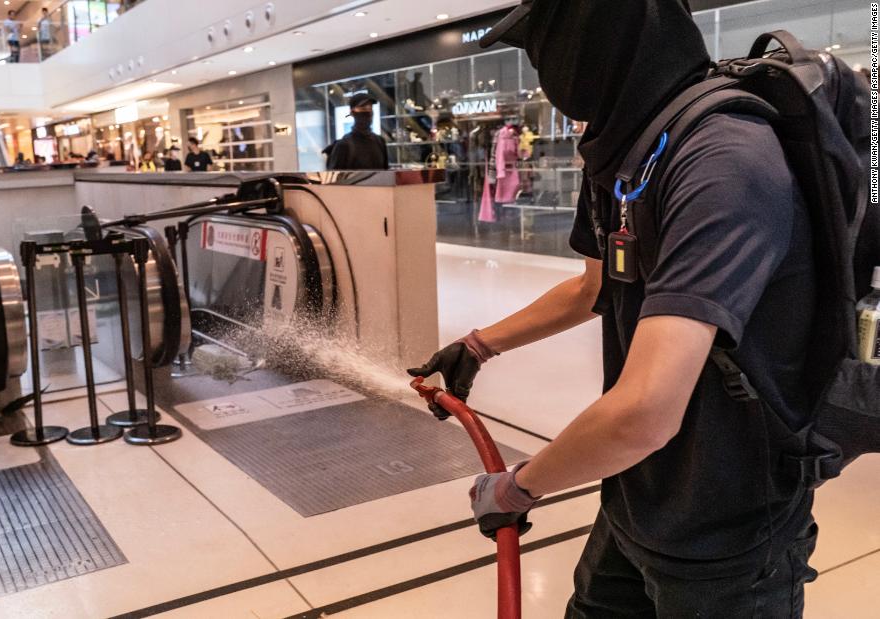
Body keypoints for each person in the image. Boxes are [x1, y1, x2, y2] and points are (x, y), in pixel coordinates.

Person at [410, 1, 820, 616]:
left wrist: (518, 488)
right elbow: (594, 287)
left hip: (730, 530)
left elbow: (645, 413)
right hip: (636, 497)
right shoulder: (624, 148)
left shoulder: (724, 158)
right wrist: (478, 346)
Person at [326, 93, 388, 170]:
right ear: (352, 112)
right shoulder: (343, 145)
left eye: (370, 108)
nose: (368, 112)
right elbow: (335, 178)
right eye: (363, 108)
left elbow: (385, 172)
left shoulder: (380, 141)